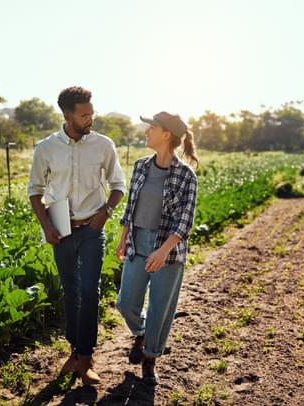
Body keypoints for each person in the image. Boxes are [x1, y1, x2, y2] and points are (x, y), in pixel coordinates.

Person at [27, 86, 126, 385]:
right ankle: (74, 352)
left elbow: (118, 185)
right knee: (70, 293)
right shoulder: (46, 148)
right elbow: (35, 192)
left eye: (92, 114)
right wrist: (47, 227)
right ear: (67, 116)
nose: (90, 120)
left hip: (92, 230)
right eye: (84, 116)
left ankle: (87, 357)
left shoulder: (103, 145)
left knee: (89, 291)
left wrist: (105, 213)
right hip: (62, 230)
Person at [116, 111, 198, 386]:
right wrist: (123, 235)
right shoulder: (140, 166)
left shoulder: (186, 176)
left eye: (151, 128)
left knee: (160, 308)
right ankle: (141, 333)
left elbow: (185, 220)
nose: (146, 132)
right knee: (125, 303)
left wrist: (163, 251)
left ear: (166, 135)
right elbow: (130, 205)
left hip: (169, 249)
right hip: (138, 242)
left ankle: (150, 358)